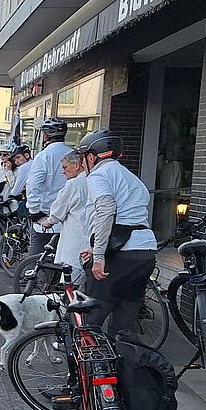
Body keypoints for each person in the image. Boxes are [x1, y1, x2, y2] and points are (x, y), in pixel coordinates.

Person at [77, 130, 157, 335]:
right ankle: (124, 364)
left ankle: (89, 365)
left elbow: (106, 213)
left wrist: (98, 257)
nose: (82, 162)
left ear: (92, 156)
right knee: (125, 323)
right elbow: (129, 218)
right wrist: (94, 247)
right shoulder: (131, 178)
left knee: (91, 315)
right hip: (144, 253)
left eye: (82, 156)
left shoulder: (99, 175)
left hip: (121, 256)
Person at [40, 151, 89, 283]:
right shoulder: (94, 179)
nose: (63, 171)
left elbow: (59, 207)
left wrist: (49, 221)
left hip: (76, 236)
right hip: (92, 236)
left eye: (65, 167)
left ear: (77, 165)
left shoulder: (74, 183)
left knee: (70, 280)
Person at [25, 119, 72, 255]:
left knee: (36, 260)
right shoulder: (73, 154)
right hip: (68, 217)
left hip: (46, 217)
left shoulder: (44, 156)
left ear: (46, 136)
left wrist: (34, 211)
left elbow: (33, 184)